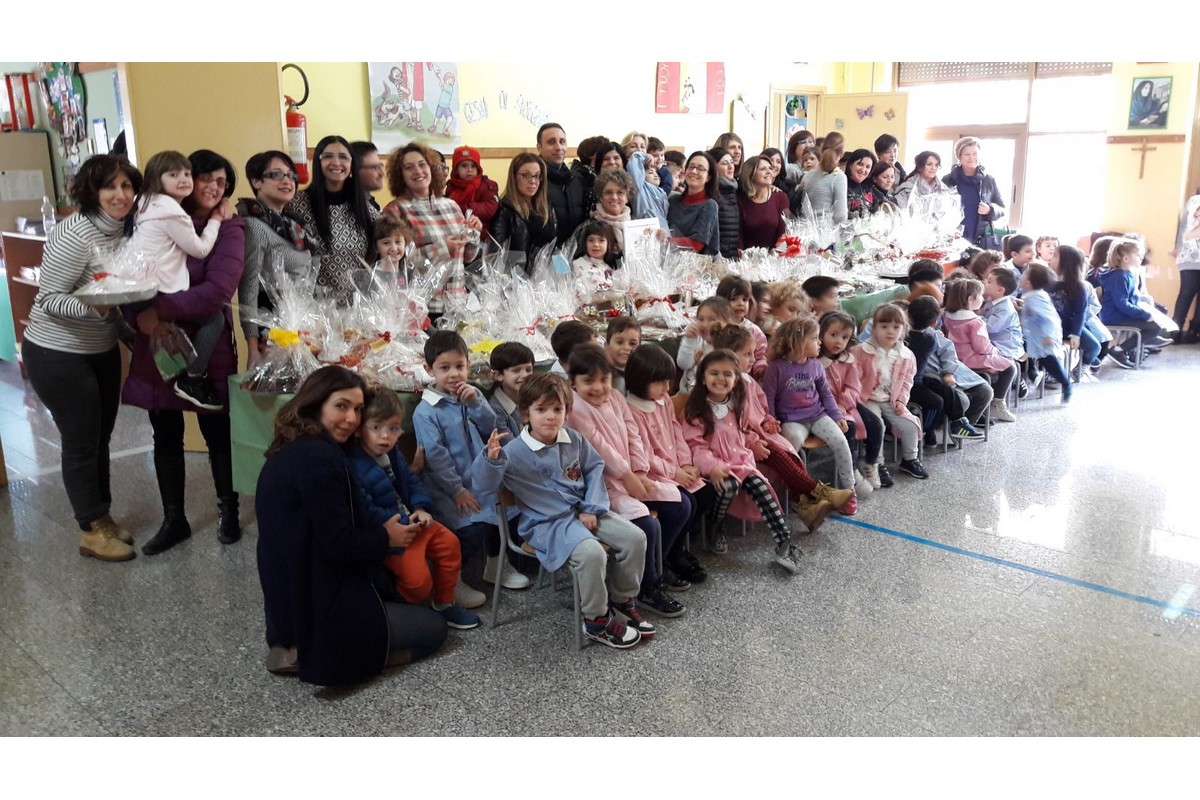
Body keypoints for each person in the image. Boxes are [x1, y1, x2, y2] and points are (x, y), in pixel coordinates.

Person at [255, 366, 449, 684]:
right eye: (341, 406)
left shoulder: (295, 444)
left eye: (358, 409)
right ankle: (331, 655)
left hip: (289, 594)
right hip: (320, 596)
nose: (351, 419)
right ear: (316, 402)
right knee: (433, 629)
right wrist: (386, 538)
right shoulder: (320, 459)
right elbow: (338, 545)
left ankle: (293, 644)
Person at [123, 149, 246, 555]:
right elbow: (129, 273)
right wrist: (139, 315)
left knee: (216, 430)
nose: (212, 187)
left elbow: (216, 295)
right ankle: (173, 518)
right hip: (158, 339)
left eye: (221, 182)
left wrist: (155, 308)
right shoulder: (153, 216)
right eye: (204, 177)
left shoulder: (227, 228)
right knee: (165, 432)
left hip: (205, 347)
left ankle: (228, 511)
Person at [23, 155, 143, 561]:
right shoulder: (76, 233)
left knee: (100, 438)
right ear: (91, 191)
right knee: (80, 441)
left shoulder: (126, 231)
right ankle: (89, 530)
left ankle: (101, 518)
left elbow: (116, 293)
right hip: (57, 353)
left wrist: (128, 333)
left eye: (127, 186)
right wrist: (96, 310)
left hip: (100, 350)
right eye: (110, 187)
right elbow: (49, 298)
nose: (120, 195)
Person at [479, 373, 650, 649]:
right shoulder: (512, 452)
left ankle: (621, 598)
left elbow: (595, 469)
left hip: (584, 511)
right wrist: (490, 460)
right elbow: (484, 486)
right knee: (592, 554)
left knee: (635, 538)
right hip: (547, 523)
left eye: (558, 409)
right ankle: (596, 620)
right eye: (541, 409)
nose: (550, 417)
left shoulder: (574, 438)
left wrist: (592, 507)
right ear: (526, 413)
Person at [566, 344, 690, 617]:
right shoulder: (574, 408)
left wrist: (640, 469)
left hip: (631, 475)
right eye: (588, 381)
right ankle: (645, 587)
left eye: (604, 379)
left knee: (681, 505)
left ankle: (658, 565)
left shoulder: (616, 398)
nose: (598, 387)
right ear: (572, 382)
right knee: (646, 525)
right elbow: (598, 447)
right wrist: (627, 474)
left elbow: (632, 433)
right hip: (603, 486)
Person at [347, 386, 481, 630]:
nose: (385, 436)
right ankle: (407, 610)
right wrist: (403, 521)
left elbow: (411, 481)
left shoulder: (393, 453)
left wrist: (420, 506)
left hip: (414, 522)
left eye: (393, 428)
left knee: (450, 545)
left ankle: (444, 603)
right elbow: (365, 507)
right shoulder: (353, 464)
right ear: (359, 429)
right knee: (418, 583)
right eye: (375, 427)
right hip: (392, 535)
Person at [411, 331, 529, 605]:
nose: (454, 374)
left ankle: (495, 565)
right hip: (449, 487)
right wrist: (457, 491)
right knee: (469, 530)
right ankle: (452, 581)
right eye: (444, 368)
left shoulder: (471, 395)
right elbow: (436, 457)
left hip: (481, 477)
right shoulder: (426, 411)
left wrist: (476, 403)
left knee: (502, 515)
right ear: (429, 370)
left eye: (460, 366)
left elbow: (492, 427)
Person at [680, 350, 809, 573]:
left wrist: (754, 440)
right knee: (727, 486)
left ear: (736, 378)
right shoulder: (696, 408)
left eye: (727, 374)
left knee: (762, 490)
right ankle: (715, 525)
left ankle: (783, 543)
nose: (720, 379)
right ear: (703, 378)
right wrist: (712, 467)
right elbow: (695, 445)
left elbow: (741, 433)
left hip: (740, 460)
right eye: (714, 373)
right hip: (715, 465)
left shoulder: (736, 403)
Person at [711, 324, 847, 529]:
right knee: (778, 452)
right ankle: (817, 491)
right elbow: (731, 426)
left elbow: (761, 405)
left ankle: (807, 508)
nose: (753, 359)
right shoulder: (724, 388)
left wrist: (767, 419)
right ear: (728, 355)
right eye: (747, 354)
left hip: (758, 434)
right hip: (736, 443)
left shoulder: (746, 380)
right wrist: (754, 440)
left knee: (788, 452)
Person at [129, 150, 229, 411]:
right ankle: (192, 377)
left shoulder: (144, 204)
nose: (183, 179)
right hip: (157, 288)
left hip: (141, 286)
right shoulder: (171, 212)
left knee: (165, 335)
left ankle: (175, 375)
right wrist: (216, 221)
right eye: (174, 175)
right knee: (215, 318)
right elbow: (200, 249)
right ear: (156, 178)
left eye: (186, 173)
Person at [624, 344, 710, 585]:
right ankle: (661, 560)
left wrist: (685, 462)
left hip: (674, 469)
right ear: (640, 380)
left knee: (705, 494)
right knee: (683, 505)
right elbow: (643, 455)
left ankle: (676, 550)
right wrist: (675, 472)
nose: (667, 388)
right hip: (651, 475)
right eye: (660, 382)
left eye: (668, 381)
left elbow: (676, 432)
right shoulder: (630, 410)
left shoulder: (663, 402)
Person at [763, 316, 858, 513]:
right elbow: (768, 398)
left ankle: (849, 490)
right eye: (815, 338)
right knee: (792, 444)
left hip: (817, 415)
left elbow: (825, 394)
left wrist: (837, 416)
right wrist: (771, 420)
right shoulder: (776, 368)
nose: (820, 342)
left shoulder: (815, 365)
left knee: (840, 442)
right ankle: (801, 494)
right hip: (791, 419)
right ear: (797, 342)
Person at [237, 151, 315, 370]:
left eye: (291, 176)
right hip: (271, 331)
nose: (287, 181)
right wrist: (252, 346)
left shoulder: (296, 227)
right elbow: (248, 288)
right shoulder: (254, 226)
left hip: (301, 327)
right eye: (277, 175)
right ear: (256, 182)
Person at [384, 142, 481, 315]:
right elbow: (398, 267)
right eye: (409, 167)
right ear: (400, 175)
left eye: (422, 165)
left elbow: (466, 257)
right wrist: (441, 249)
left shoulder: (451, 205)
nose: (418, 171)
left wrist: (473, 235)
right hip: (422, 310)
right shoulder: (394, 211)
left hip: (458, 305)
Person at [288, 135, 379, 304]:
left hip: (358, 309)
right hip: (314, 309)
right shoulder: (297, 204)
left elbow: (388, 241)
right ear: (317, 162)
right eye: (328, 156)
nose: (336, 163)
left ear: (352, 165)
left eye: (343, 157)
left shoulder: (364, 207)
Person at [852, 303, 928, 480]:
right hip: (867, 399)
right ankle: (877, 463)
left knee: (910, 425)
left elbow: (907, 381)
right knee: (877, 425)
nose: (890, 331)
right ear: (874, 328)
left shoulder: (907, 355)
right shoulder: (861, 351)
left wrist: (901, 400)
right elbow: (853, 379)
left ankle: (910, 460)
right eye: (884, 326)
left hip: (891, 399)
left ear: (903, 329)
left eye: (896, 327)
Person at [818, 310, 886, 491]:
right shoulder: (815, 362)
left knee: (876, 424)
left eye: (845, 337)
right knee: (850, 428)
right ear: (821, 334)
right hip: (824, 409)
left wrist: (843, 404)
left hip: (848, 405)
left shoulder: (849, 360)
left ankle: (870, 463)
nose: (839, 341)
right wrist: (835, 407)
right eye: (833, 335)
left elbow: (854, 387)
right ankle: (851, 471)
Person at [941, 278, 1019, 423]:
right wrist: (994, 350)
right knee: (1010, 366)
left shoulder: (946, 314)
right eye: (980, 296)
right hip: (972, 358)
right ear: (971, 299)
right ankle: (998, 402)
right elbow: (982, 347)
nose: (983, 299)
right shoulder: (975, 322)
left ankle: (983, 410)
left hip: (954, 357)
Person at [1098, 237, 1172, 348]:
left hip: (1121, 314)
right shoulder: (1119, 276)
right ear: (1126, 258)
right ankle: (1119, 350)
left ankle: (1128, 348)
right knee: (1155, 327)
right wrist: (1144, 315)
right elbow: (1122, 303)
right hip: (1115, 316)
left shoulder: (1127, 274)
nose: (1141, 258)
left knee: (1158, 318)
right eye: (1138, 255)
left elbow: (1132, 297)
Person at [490, 153, 557, 269]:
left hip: (544, 277)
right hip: (515, 279)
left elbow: (554, 246)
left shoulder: (546, 208)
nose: (533, 181)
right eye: (526, 175)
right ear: (514, 177)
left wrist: (561, 274)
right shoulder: (504, 210)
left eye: (537, 176)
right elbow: (496, 256)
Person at [1020, 264, 1072, 403]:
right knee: (1032, 353)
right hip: (1036, 335)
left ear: (1028, 282)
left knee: (1049, 361)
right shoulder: (1034, 295)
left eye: (1024, 275)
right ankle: (1033, 374)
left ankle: (1066, 384)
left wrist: (1048, 335)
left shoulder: (1034, 298)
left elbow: (1048, 318)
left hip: (1044, 336)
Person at [1051, 244, 1107, 372]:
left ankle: (1081, 366)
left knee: (1094, 347)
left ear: (1066, 263)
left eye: (1055, 256)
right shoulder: (1046, 279)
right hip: (1048, 327)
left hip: (1068, 326)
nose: (1050, 259)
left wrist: (1076, 334)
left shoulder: (1078, 286)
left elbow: (1080, 313)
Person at [943, 137, 1005, 249]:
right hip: (954, 239)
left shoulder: (988, 180)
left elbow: (1002, 209)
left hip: (981, 240)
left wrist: (990, 210)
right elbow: (938, 211)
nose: (972, 158)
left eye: (975, 154)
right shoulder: (948, 180)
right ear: (959, 157)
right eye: (967, 154)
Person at [537, 123, 587, 242]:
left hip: (574, 253)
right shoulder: (534, 180)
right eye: (551, 142)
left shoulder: (577, 179)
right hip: (542, 255)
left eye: (562, 141)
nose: (558, 147)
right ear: (539, 147)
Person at [667, 151, 720, 256]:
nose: (694, 171)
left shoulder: (709, 205)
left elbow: (697, 244)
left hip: (696, 269)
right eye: (691, 167)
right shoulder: (673, 201)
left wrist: (667, 240)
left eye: (700, 169)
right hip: (669, 265)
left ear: (708, 177)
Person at [715, 275, 768, 379]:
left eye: (745, 300)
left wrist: (760, 369)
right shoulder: (717, 326)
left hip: (745, 379)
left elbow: (760, 356)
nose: (740, 304)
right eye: (734, 299)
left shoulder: (753, 330)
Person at [676, 295, 731, 392]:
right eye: (701, 319)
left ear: (728, 323)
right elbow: (683, 364)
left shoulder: (728, 347)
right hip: (686, 395)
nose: (705, 324)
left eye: (712, 320)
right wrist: (689, 341)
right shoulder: (696, 340)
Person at [737, 155, 789, 252]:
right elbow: (739, 235)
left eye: (770, 168)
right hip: (748, 260)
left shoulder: (780, 197)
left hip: (775, 259)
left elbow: (784, 232)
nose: (769, 172)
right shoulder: (741, 201)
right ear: (751, 174)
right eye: (763, 169)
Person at [445, 145, 499, 236]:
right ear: (456, 169)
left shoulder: (488, 185)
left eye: (473, 166)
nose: (469, 170)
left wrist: (461, 208)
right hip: (455, 234)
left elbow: (490, 209)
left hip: (481, 235)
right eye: (464, 166)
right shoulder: (451, 185)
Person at [488, 341, 535, 441]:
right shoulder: (495, 411)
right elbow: (510, 447)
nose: (525, 375)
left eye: (528, 370)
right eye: (516, 370)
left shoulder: (535, 397)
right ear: (498, 375)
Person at [1170, 192, 1200, 343]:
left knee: (1187, 294)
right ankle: (1179, 331)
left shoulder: (1194, 200)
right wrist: (1178, 246)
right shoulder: (1195, 201)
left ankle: (1189, 331)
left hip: (1189, 254)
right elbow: (1184, 226)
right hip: (1191, 255)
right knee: (1187, 293)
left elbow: (1183, 227)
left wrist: (1179, 247)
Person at [587, 168, 635, 256]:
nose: (614, 197)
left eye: (620, 192)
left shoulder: (636, 225)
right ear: (600, 197)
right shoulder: (589, 227)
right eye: (608, 192)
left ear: (627, 197)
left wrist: (657, 238)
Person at [981, 267, 1024, 360]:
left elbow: (990, 327)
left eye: (989, 282)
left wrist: (973, 317)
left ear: (1000, 290)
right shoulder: (992, 299)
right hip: (994, 341)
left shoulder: (1005, 309)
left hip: (1007, 346)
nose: (984, 283)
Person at [799, 144, 847, 223]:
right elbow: (841, 215)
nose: (808, 161)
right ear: (841, 155)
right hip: (826, 228)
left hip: (805, 225)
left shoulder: (807, 176)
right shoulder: (838, 177)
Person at [708, 147, 740, 259]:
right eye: (725, 163)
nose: (731, 166)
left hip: (734, 258)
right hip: (717, 260)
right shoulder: (711, 194)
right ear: (714, 167)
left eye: (731, 162)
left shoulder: (736, 190)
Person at [604, 316, 641, 394]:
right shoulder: (601, 375)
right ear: (606, 345)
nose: (626, 348)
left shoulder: (640, 373)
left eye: (632, 343)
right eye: (619, 342)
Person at [350, 141, 385, 211]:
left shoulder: (371, 203)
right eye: (376, 167)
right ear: (354, 170)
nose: (382, 173)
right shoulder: (347, 210)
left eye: (380, 166)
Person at [843, 149, 878, 219]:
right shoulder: (840, 185)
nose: (863, 170)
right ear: (850, 165)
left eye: (868, 167)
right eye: (860, 164)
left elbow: (875, 213)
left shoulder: (869, 188)